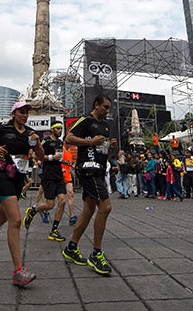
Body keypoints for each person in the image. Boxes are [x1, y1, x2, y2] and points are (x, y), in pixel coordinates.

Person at [0, 101, 43, 287]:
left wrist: (36, 144)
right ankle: (18, 271)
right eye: (21, 112)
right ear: (14, 113)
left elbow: (41, 157)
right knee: (16, 220)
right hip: (2, 175)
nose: (24, 115)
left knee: (0, 219)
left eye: (27, 113)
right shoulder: (4, 129)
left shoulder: (30, 133)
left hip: (18, 179)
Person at [61, 94, 116, 276]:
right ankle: (96, 253)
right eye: (105, 107)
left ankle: (71, 247)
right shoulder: (86, 120)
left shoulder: (105, 125)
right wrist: (90, 141)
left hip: (99, 170)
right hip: (88, 169)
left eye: (109, 108)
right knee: (106, 207)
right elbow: (68, 138)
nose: (108, 111)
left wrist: (109, 145)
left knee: (88, 211)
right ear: (96, 105)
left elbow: (100, 147)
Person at [23, 121, 68, 241]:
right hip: (48, 175)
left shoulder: (59, 142)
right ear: (52, 129)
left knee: (62, 201)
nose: (60, 130)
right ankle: (33, 211)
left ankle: (54, 230)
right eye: (57, 128)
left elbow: (58, 157)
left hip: (58, 174)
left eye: (61, 128)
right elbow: (37, 157)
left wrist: (64, 162)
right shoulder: (46, 142)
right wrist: (51, 157)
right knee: (50, 204)